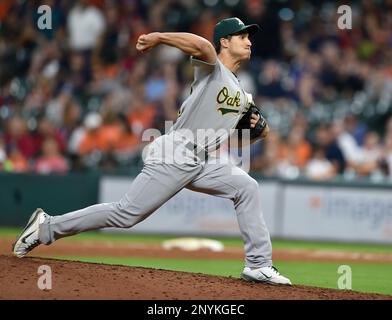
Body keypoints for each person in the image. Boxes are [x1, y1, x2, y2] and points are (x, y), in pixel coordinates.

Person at [13, 17, 291, 285]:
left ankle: (258, 264)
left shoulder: (242, 95)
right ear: (225, 42)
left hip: (204, 159)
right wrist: (159, 37)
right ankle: (46, 226)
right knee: (126, 214)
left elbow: (243, 139)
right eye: (242, 36)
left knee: (246, 187)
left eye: (249, 36)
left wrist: (260, 127)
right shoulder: (212, 70)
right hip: (177, 151)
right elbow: (204, 46)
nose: (249, 41)